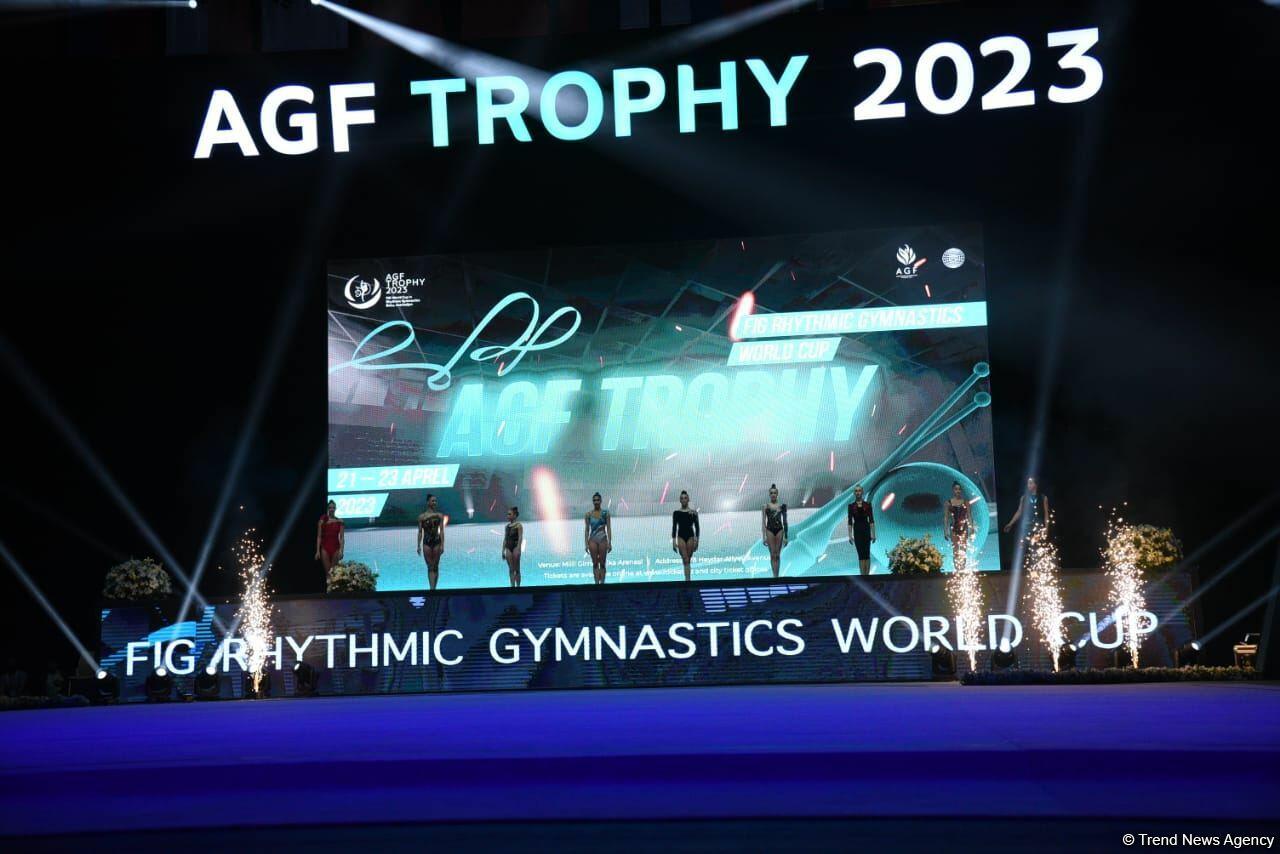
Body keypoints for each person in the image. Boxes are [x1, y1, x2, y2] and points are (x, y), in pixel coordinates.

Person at [417, 494, 446, 590]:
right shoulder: (421, 517)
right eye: (433, 501)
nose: (434, 503)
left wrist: (442, 545)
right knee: (430, 566)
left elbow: (441, 531)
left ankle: (434, 588)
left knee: (436, 566)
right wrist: (418, 545)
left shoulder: (439, 515)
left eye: (435, 501)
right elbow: (420, 532)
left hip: (436, 541)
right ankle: (431, 589)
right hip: (426, 542)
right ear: (428, 502)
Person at [846, 483, 876, 575]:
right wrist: (850, 536)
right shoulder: (851, 506)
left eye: (859, 490)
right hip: (857, 531)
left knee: (867, 554)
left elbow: (871, 520)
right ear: (854, 493)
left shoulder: (868, 505)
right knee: (861, 555)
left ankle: (867, 576)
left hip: (866, 530)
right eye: (856, 491)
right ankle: (863, 575)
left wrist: (873, 534)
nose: (858, 492)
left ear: (862, 492)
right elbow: (850, 522)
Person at [943, 481, 973, 570]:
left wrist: (971, 528)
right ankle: (957, 570)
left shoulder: (966, 502)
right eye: (956, 489)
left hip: (964, 528)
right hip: (954, 529)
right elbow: (946, 518)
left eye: (959, 489)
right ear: (953, 490)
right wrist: (945, 531)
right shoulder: (948, 503)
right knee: (955, 550)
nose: (958, 491)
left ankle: (963, 569)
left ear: (961, 490)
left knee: (963, 550)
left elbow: (969, 516)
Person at [671, 490, 700, 583]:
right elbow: (674, 527)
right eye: (682, 498)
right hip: (681, 536)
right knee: (685, 559)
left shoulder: (694, 513)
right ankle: (687, 581)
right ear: (680, 500)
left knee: (688, 560)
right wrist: (674, 542)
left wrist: (697, 541)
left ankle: (688, 581)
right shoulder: (676, 513)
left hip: (690, 536)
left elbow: (697, 527)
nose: (683, 499)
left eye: (685, 498)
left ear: (688, 499)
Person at [584, 492, 612, 584]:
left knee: (602, 563)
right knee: (595, 563)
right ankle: (596, 584)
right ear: (593, 501)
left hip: (603, 539)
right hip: (593, 540)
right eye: (594, 500)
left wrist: (610, 542)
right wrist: (586, 544)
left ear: (600, 501)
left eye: (597, 500)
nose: (596, 502)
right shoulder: (588, 514)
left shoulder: (605, 513)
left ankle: (602, 584)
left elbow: (608, 528)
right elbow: (587, 530)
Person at [761, 484, 788, 578]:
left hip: (779, 530)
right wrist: (763, 537)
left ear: (777, 494)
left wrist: (785, 536)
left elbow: (785, 521)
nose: (773, 494)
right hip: (770, 530)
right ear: (769, 494)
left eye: (775, 493)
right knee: (772, 554)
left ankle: (777, 576)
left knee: (777, 555)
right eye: (771, 493)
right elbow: (763, 522)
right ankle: (774, 576)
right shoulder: (765, 506)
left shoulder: (782, 506)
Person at [315, 500, 345, 580]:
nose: (332, 509)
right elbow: (319, 536)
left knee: (333, 573)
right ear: (328, 509)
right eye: (330, 507)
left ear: (335, 509)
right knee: (328, 573)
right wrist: (317, 551)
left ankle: (333, 587)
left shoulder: (340, 522)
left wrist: (341, 551)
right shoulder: (322, 521)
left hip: (336, 548)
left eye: (333, 508)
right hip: (325, 548)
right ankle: (328, 587)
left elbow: (342, 537)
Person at [502, 506, 524, 588]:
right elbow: (505, 539)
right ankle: (512, 587)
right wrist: (502, 551)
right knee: (511, 569)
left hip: (515, 547)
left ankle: (518, 587)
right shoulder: (507, 526)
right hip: (508, 547)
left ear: (514, 515)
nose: (508, 516)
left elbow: (520, 537)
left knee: (517, 569)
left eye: (509, 514)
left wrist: (518, 548)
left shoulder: (519, 525)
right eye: (507, 514)